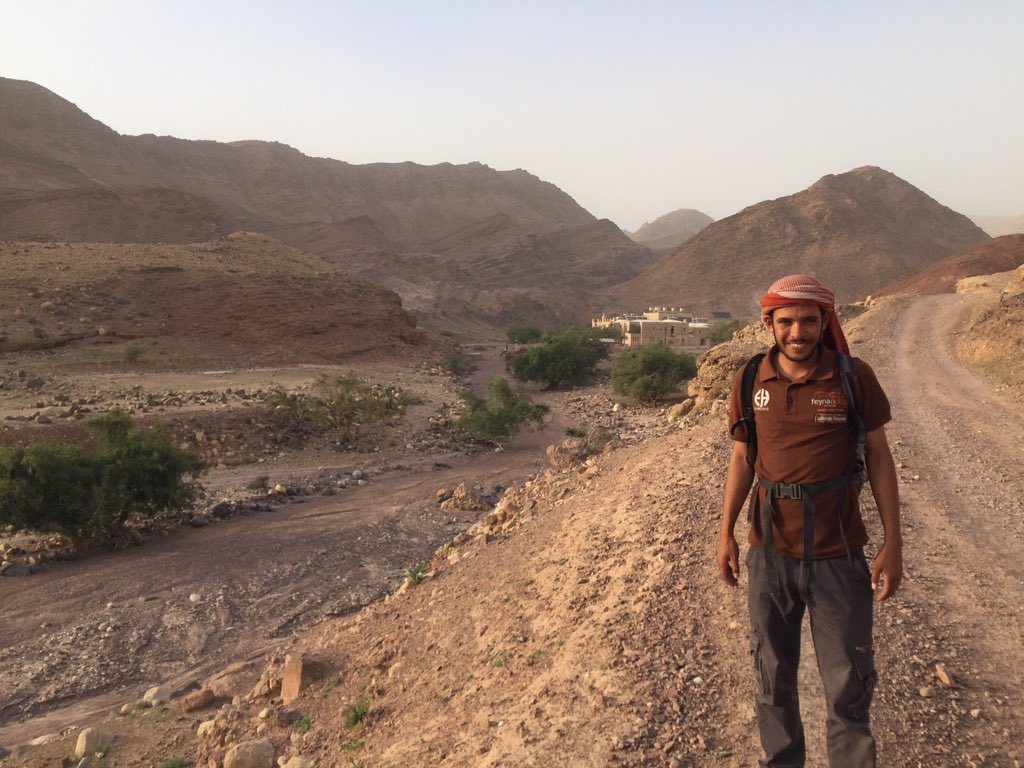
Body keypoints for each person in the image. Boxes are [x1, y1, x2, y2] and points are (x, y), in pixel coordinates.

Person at [715, 274, 903, 768]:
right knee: (772, 680)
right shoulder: (750, 377)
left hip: (839, 557)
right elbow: (741, 460)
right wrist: (726, 533)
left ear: (825, 321)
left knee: (848, 686)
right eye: (786, 321)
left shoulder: (852, 376)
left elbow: (880, 459)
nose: (797, 331)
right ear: (769, 324)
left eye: (807, 320)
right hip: (769, 555)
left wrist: (893, 543)